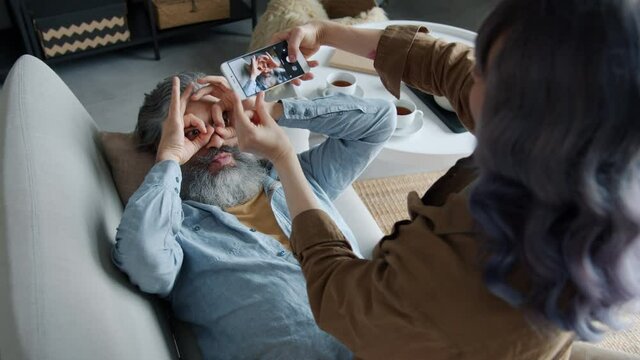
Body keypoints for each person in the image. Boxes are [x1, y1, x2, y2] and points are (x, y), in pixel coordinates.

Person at [224, 0, 640, 358]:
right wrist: (327, 33)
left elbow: (340, 298)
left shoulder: (466, 262)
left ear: (522, 113)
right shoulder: (590, 146)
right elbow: (447, 64)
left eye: (484, 74)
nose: (469, 73)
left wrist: (283, 155)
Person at [111, 72, 396, 359]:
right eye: (192, 133)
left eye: (222, 118)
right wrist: (170, 157)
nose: (215, 141)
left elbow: (380, 122)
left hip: (396, 340)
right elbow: (145, 263)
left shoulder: (297, 177)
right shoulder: (177, 231)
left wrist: (270, 111)